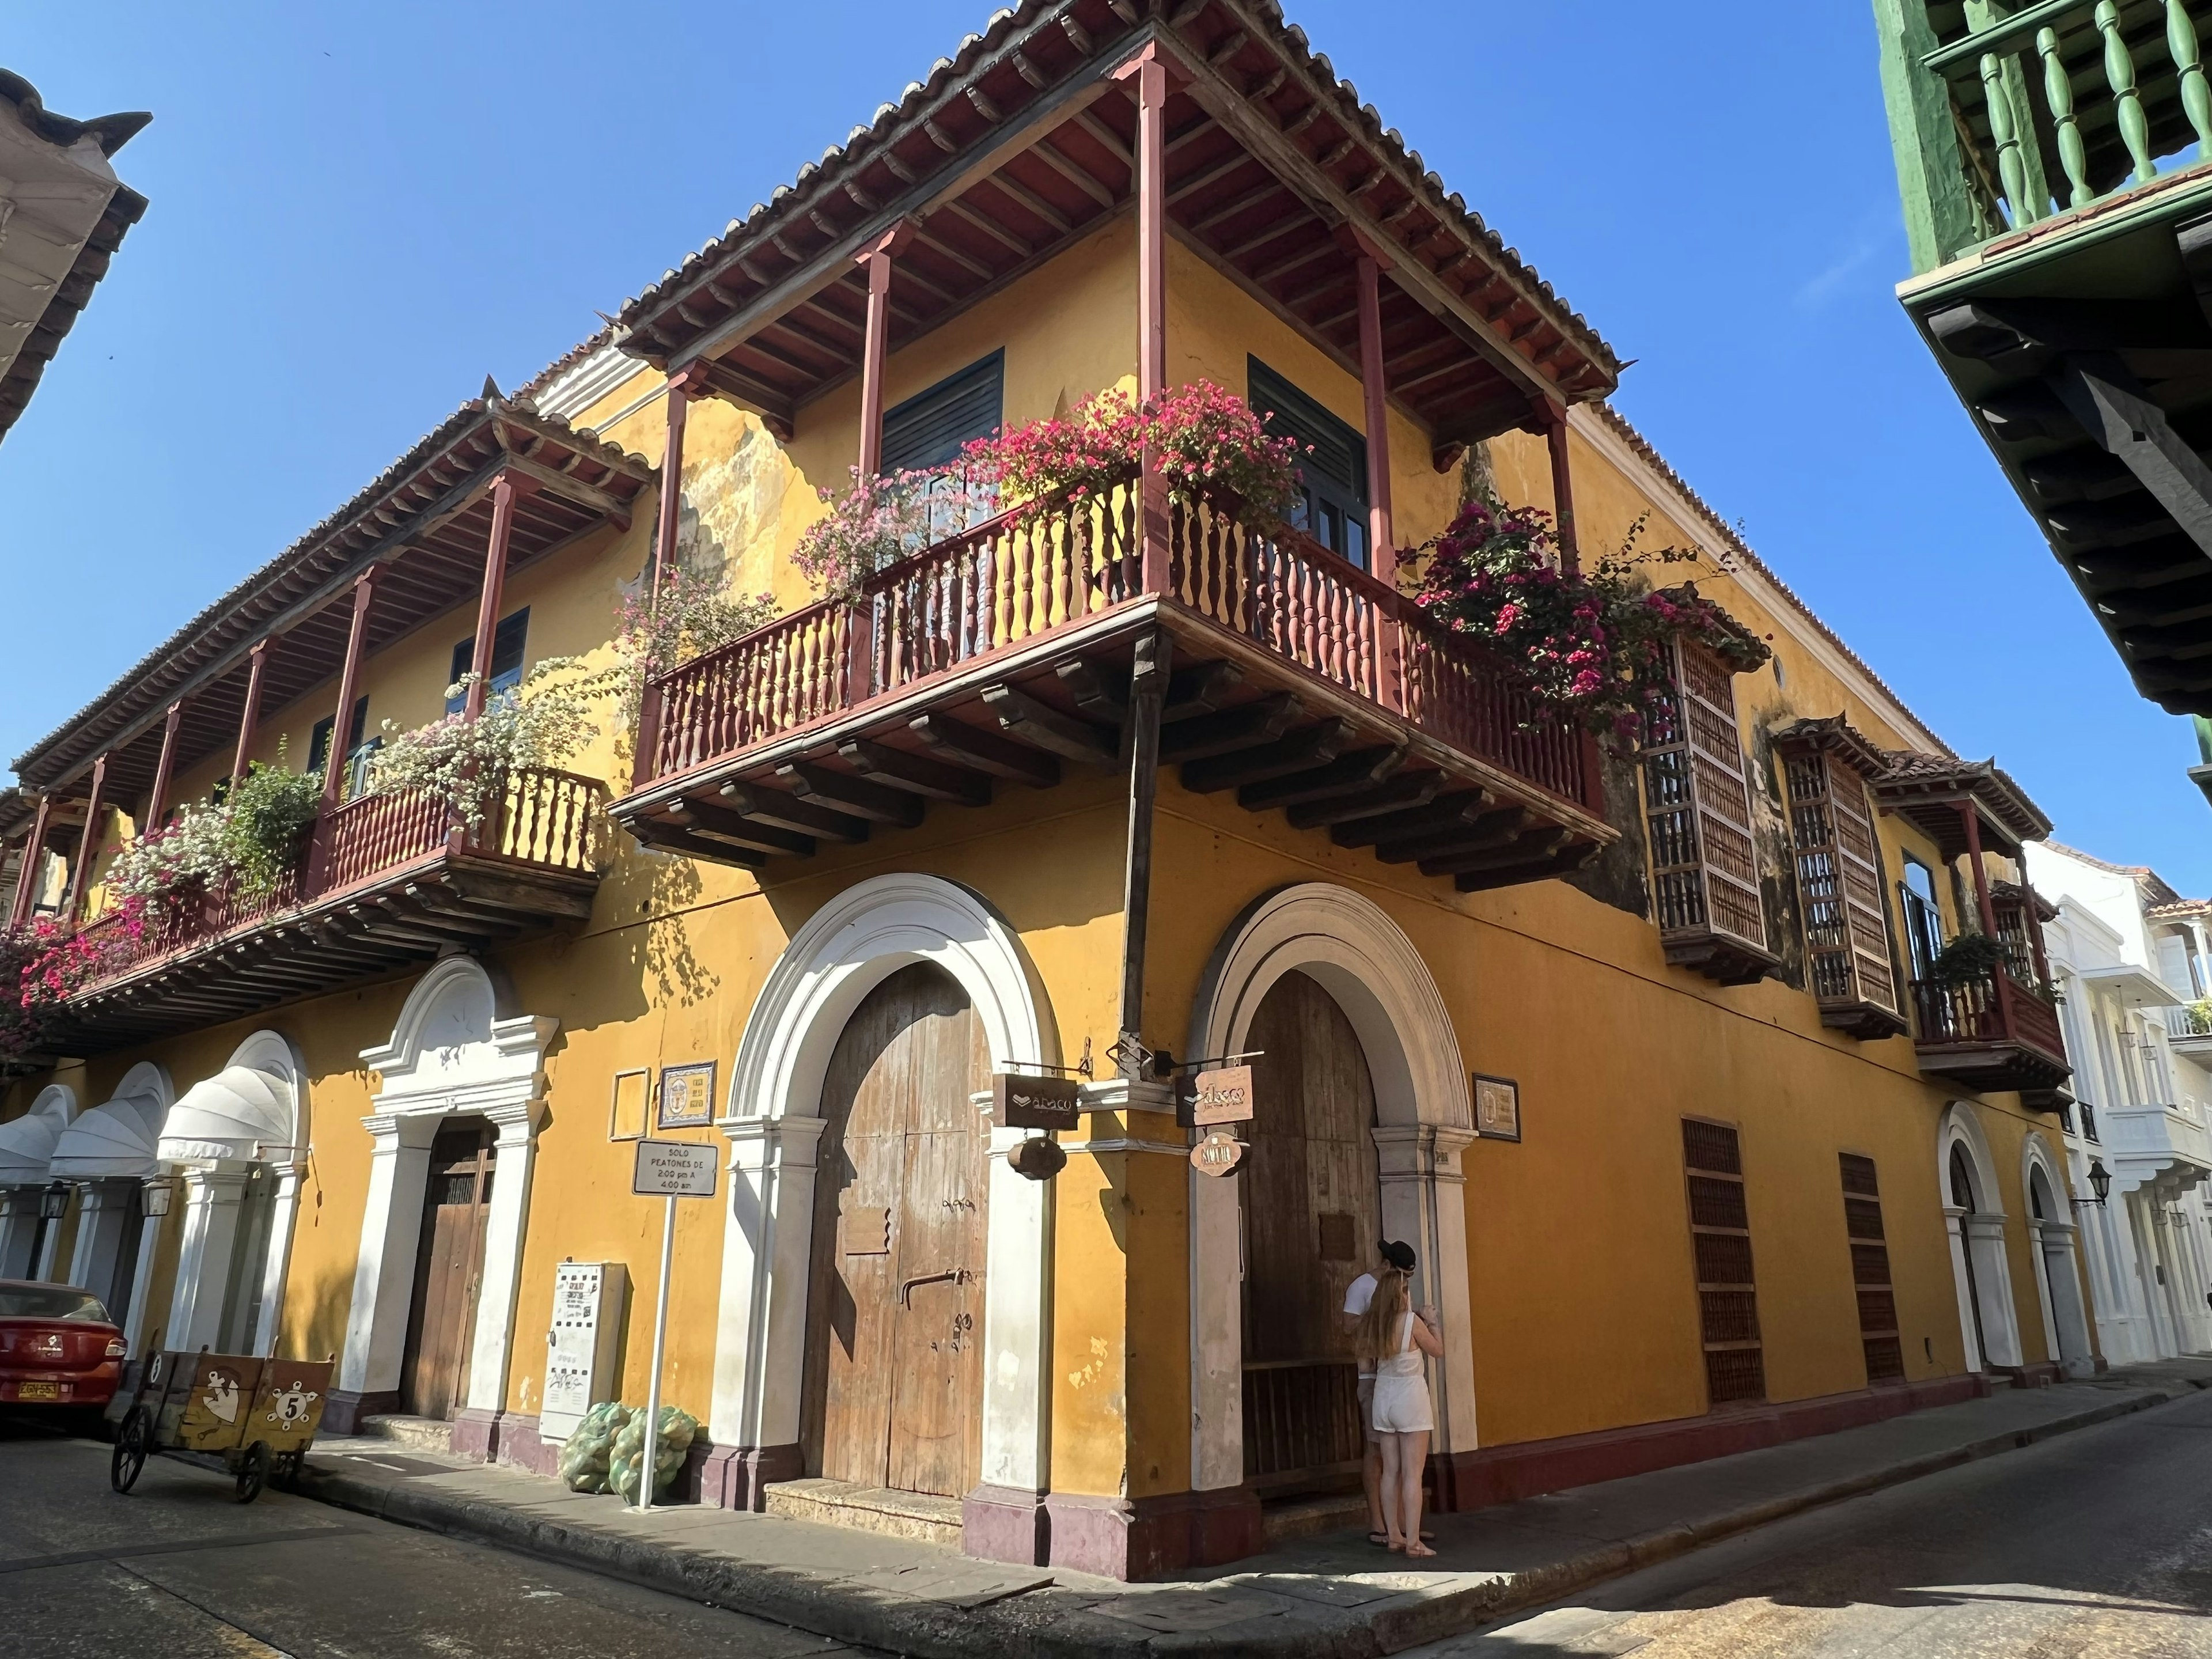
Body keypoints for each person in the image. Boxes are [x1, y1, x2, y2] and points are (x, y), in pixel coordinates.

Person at [1356, 1253, 1443, 1558]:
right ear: (1401, 1294)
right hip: (1410, 1400)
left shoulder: (1371, 1325)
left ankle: (1393, 1535)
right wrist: (1432, 1322)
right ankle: (1414, 1541)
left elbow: (1367, 1361)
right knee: (1412, 1474)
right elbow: (1438, 1351)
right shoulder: (1412, 1322)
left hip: (1384, 1398)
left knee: (1389, 1471)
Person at [1343, 1239, 1423, 1547]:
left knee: (1404, 1453)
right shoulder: (1362, 1287)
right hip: (1372, 1377)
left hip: (1399, 1379)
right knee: (1376, 1451)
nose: (1405, 1283)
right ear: (1387, 1265)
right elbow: (1348, 1325)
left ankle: (1403, 1525)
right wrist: (1382, 1317)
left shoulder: (1399, 1288)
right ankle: (1378, 1523)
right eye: (1402, 1274)